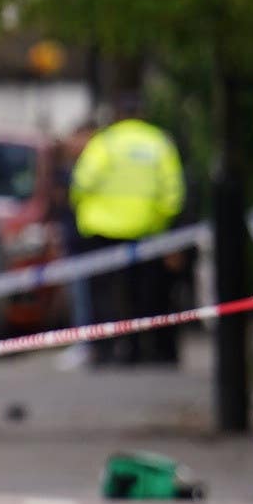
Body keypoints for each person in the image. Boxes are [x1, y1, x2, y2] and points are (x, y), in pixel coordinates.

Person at [68, 109, 185, 365]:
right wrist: (162, 220)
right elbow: (173, 191)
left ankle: (107, 350)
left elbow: (82, 183)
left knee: (105, 295)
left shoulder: (105, 142)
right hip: (147, 229)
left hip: (103, 230)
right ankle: (148, 349)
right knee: (147, 294)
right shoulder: (157, 142)